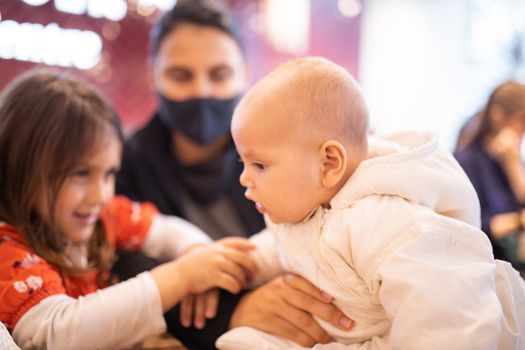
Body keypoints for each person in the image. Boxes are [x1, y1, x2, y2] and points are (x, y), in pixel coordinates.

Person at [216, 57, 525, 349]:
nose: (244, 178)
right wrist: (244, 263)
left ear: (328, 163)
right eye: (242, 162)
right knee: (238, 340)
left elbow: (450, 318)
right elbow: (284, 247)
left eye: (258, 165)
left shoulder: (387, 223)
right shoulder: (302, 211)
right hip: (344, 337)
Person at [115, 0, 353, 348]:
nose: (202, 91)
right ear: (154, 75)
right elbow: (123, 265)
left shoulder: (288, 154)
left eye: (219, 74)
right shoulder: (122, 164)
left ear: (244, 72)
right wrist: (234, 311)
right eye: (181, 75)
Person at [0, 70, 258, 349]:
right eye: (81, 174)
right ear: (19, 166)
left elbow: (164, 230)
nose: (100, 195)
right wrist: (182, 277)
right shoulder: (7, 247)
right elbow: (55, 333)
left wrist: (198, 253)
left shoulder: (105, 215)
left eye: (109, 174)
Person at [455, 81, 525, 270]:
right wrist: (517, 221)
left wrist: (513, 165)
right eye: (521, 121)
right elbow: (472, 224)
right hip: (483, 263)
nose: (523, 132)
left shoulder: (512, 161)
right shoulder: (468, 161)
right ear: (497, 116)